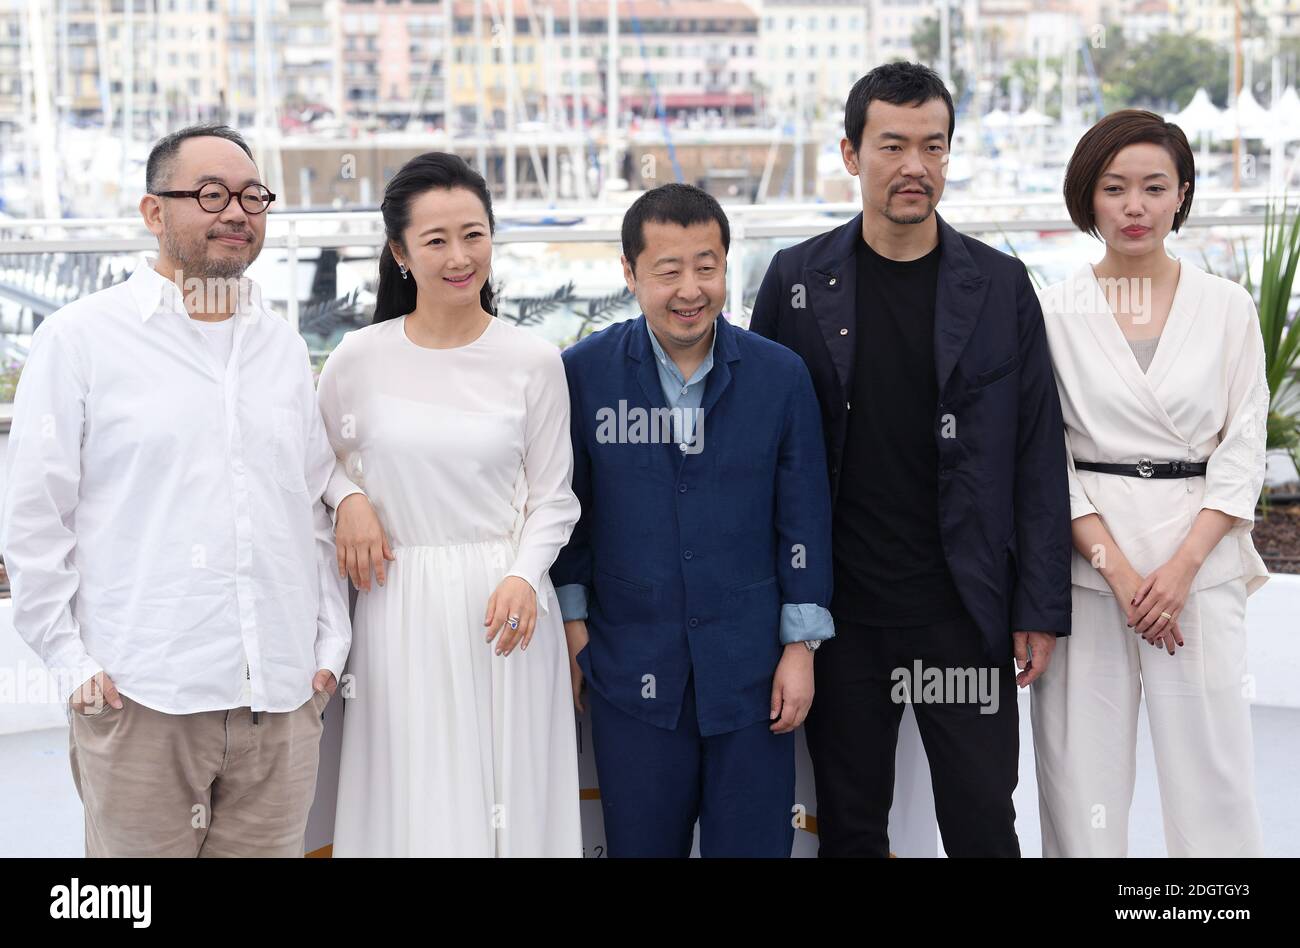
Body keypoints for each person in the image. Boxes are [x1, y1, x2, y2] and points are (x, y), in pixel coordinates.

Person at [750, 62, 1072, 857]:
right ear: (852, 154)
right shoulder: (795, 280)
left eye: (933, 147)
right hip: (841, 613)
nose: (915, 167)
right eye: (892, 145)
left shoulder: (999, 284)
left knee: (982, 824)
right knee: (850, 826)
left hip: (964, 613)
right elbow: (759, 452)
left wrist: (1038, 605)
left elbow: (1037, 451)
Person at [0, 124, 350, 857]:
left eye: (253, 196)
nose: (237, 213)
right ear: (153, 213)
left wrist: (329, 643)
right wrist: (73, 667)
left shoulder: (281, 347)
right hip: (140, 697)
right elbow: (33, 518)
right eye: (211, 194)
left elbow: (309, 499)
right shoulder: (80, 341)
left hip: (280, 701)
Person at [552, 183, 834, 858]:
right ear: (630, 273)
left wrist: (801, 646)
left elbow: (804, 518)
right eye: (668, 270)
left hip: (751, 674)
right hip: (629, 673)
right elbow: (566, 513)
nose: (690, 289)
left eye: (706, 267)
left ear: (727, 267)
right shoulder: (581, 374)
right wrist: (574, 632)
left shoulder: (779, 375)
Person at [320, 152, 582, 857]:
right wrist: (347, 498)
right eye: (436, 241)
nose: (460, 256)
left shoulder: (533, 360)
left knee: (511, 799)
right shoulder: (357, 357)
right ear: (401, 253)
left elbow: (555, 498)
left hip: (508, 606)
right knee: (412, 797)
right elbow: (311, 461)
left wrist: (525, 576)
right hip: (397, 605)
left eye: (475, 234)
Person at [1032, 110, 1268, 857]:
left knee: (1213, 775)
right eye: (1115, 188)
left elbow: (1243, 446)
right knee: (1079, 780)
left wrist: (1179, 572)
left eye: (1153, 187)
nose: (1134, 206)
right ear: (1088, 199)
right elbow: (1045, 455)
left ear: (1181, 196)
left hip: (1200, 568)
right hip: (1089, 569)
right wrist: (1126, 575)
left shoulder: (1228, 306)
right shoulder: (1052, 310)